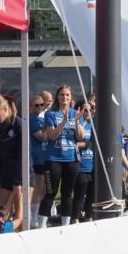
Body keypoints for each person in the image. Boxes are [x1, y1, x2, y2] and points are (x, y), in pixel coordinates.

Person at [40, 85, 80, 227]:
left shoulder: (76, 113)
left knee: (67, 193)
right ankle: (41, 225)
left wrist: (75, 121)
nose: (65, 98)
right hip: (54, 159)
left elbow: (80, 137)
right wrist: (64, 122)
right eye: (62, 95)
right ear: (57, 97)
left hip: (71, 159)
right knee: (51, 192)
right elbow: (51, 136)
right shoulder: (50, 114)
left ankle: (65, 225)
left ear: (71, 97)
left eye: (67, 95)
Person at [0, 95, 26, 229]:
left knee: (20, 218)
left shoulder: (19, 125)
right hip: (6, 176)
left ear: (5, 109)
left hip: (22, 177)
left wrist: (18, 182)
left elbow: (23, 155)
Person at [29, 94, 49, 228]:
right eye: (36, 105)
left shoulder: (42, 119)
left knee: (44, 188)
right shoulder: (31, 119)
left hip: (45, 157)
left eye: (42, 105)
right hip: (36, 157)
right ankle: (33, 216)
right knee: (38, 188)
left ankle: (39, 215)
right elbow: (41, 136)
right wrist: (51, 130)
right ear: (31, 106)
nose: (40, 107)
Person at [73, 100, 95, 223]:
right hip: (80, 165)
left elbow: (92, 143)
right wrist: (85, 144)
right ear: (80, 110)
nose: (88, 113)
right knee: (79, 195)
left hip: (92, 164)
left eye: (90, 110)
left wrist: (84, 144)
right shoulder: (77, 123)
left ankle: (89, 217)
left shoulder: (93, 125)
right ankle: (74, 219)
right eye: (85, 110)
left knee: (91, 195)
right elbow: (76, 141)